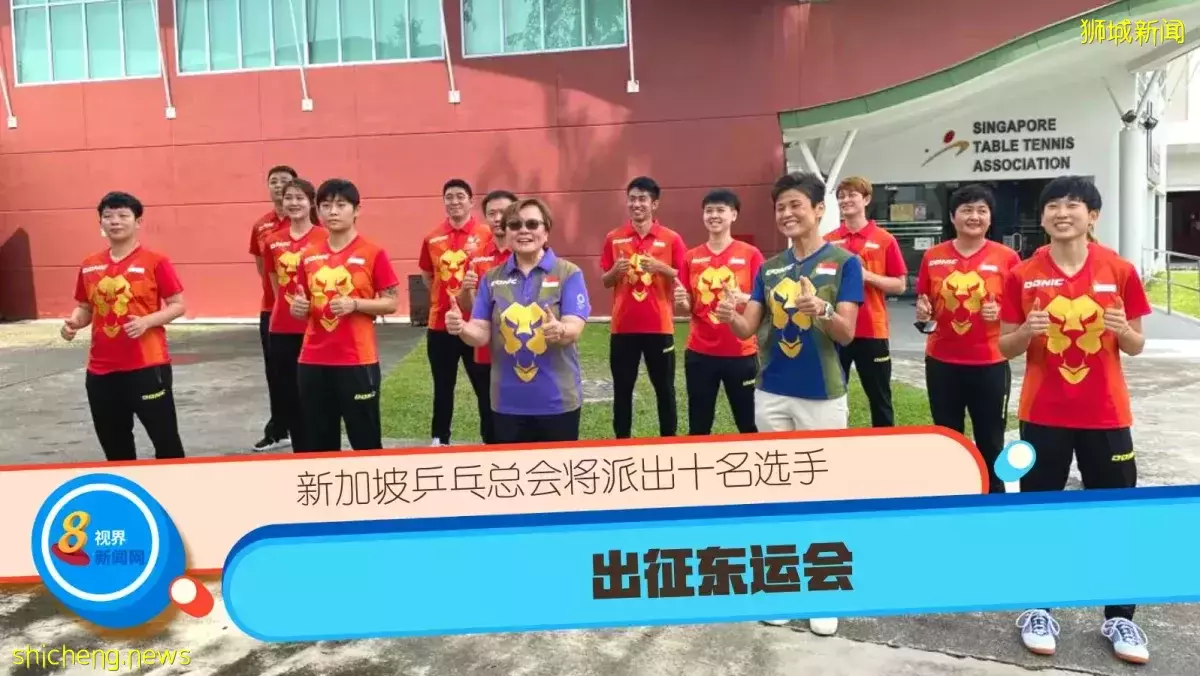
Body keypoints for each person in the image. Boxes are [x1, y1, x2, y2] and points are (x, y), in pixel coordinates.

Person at [998, 176, 1151, 665]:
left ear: (1092, 216)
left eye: (1073, 205)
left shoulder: (1119, 270)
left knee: (1115, 515)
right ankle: (1039, 609)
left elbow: (1136, 344)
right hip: (1043, 413)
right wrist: (1027, 330)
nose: (1062, 213)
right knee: (1042, 513)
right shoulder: (1022, 274)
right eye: (1053, 206)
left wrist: (1122, 329)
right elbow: (1003, 346)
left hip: (1106, 413)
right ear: (1042, 217)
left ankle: (1120, 616)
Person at [716, 172, 863, 637]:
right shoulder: (770, 268)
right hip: (772, 392)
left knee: (824, 494)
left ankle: (823, 590)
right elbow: (748, 329)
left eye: (796, 204)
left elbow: (847, 333)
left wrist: (821, 310)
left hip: (822, 395)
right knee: (777, 492)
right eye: (780, 207)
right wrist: (730, 315)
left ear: (819, 210)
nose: (787, 214)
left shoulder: (844, 263)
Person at [446, 198, 591, 444]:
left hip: (557, 402)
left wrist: (561, 330)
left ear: (546, 231)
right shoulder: (491, 278)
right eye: (514, 225)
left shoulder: (568, 273)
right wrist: (462, 328)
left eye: (532, 224)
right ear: (506, 232)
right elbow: (481, 333)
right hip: (507, 403)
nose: (523, 230)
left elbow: (574, 327)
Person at [62, 191, 188, 461]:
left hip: (146, 367)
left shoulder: (155, 261)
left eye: (122, 215)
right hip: (101, 371)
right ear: (100, 222)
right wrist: (74, 323)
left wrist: (146, 322)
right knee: (116, 448)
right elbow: (85, 307)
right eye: (108, 216)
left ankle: (175, 486)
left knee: (166, 442)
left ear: (138, 221)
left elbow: (178, 305)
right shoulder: (89, 265)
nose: (115, 221)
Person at [914, 184, 1020, 493]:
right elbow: (926, 306)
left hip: (990, 361)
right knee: (948, 437)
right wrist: (923, 313)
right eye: (966, 210)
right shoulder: (933, 257)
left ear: (990, 217)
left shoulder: (1007, 258)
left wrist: (1000, 312)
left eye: (981, 210)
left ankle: (994, 495)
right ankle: (953, 494)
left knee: (991, 437)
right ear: (953, 217)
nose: (974, 216)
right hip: (942, 362)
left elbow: (1021, 311)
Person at [289, 179, 399, 452]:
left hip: (356, 361)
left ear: (356, 210)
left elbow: (391, 303)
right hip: (313, 360)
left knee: (365, 441)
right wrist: (297, 309)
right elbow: (303, 302)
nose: (333, 212)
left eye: (341, 205)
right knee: (319, 443)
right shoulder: (309, 256)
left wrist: (356, 304)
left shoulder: (373, 253)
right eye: (326, 206)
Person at [600, 176, 687, 439]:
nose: (636, 204)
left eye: (642, 199)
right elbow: (606, 281)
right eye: (632, 199)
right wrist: (615, 272)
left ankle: (668, 440)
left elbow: (685, 275)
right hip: (622, 328)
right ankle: (622, 441)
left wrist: (661, 268)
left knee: (664, 388)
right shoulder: (614, 238)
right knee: (622, 389)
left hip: (659, 327)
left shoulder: (671, 238)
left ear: (654, 204)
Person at [674, 188, 764, 435]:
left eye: (720, 210)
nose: (714, 215)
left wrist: (742, 298)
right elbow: (687, 306)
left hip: (741, 351)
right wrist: (681, 302)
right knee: (699, 425)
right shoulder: (691, 257)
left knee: (749, 423)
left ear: (733, 215)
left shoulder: (750, 254)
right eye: (709, 211)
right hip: (700, 353)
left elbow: (763, 298)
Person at [824, 176, 907, 427]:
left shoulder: (884, 239)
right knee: (832, 397)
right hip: (837, 329)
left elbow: (900, 285)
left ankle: (884, 444)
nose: (845, 200)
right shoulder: (828, 241)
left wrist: (866, 276)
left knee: (880, 398)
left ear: (867, 199)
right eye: (841, 196)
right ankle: (834, 442)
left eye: (852, 195)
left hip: (872, 329)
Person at [418, 179, 495, 446]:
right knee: (443, 385)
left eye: (460, 196)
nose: (454, 201)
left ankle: (491, 438)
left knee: (484, 385)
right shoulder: (432, 237)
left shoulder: (486, 234)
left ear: (471, 201)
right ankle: (440, 438)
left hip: (476, 323)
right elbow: (428, 276)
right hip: (441, 324)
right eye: (449, 197)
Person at [263, 178, 328, 453]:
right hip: (282, 328)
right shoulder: (272, 241)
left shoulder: (325, 237)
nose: (294, 203)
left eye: (300, 198)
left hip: (317, 327)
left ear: (311, 203)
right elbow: (275, 285)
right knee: (290, 394)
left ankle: (323, 450)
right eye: (289, 197)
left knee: (318, 394)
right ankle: (301, 453)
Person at [249, 164, 299, 452]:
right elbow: (262, 268)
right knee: (276, 372)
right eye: (274, 181)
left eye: (285, 181)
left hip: (307, 311)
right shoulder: (261, 226)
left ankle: (309, 427)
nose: (279, 186)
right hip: (273, 309)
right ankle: (279, 430)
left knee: (306, 371)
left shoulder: (310, 222)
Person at [456, 190, 517, 420]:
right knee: (489, 415)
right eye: (492, 213)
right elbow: (468, 308)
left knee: (521, 419)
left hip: (521, 348)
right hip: (485, 352)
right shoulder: (476, 257)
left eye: (504, 212)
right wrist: (466, 289)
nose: (498, 218)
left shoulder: (528, 253)